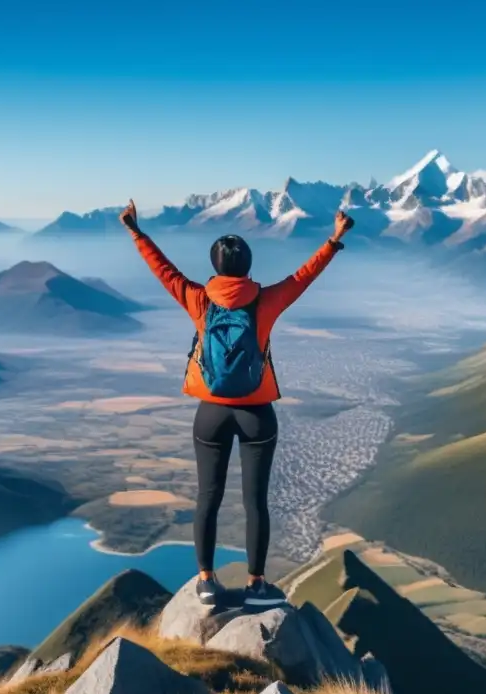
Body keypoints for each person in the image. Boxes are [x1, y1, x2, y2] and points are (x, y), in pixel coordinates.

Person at [119, 199, 354, 607]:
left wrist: (137, 233)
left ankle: (206, 582)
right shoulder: (266, 301)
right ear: (248, 267)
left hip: (209, 414)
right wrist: (334, 239)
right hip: (257, 415)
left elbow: (163, 271)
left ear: (214, 267)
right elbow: (305, 276)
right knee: (255, 502)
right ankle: (256, 586)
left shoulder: (198, 299)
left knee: (207, 497)